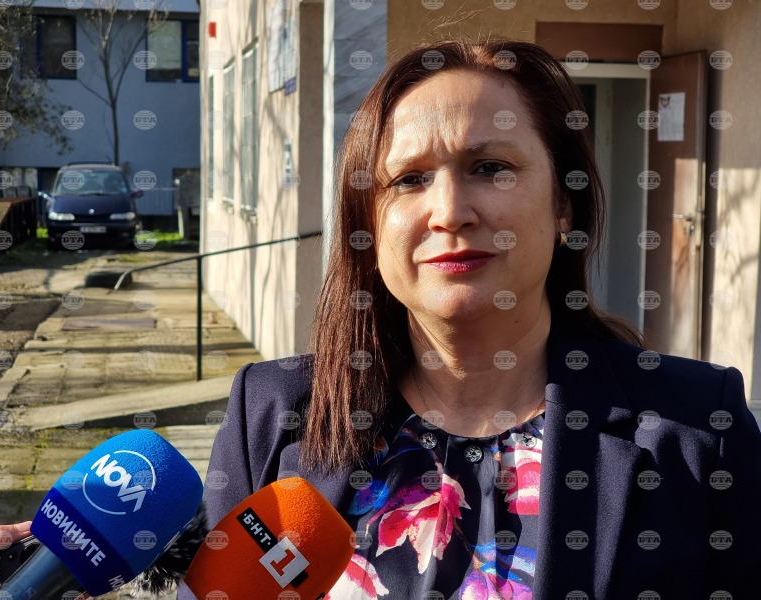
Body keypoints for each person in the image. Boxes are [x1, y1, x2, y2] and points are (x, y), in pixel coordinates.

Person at [176, 39, 761, 599]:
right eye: (410, 179)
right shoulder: (272, 415)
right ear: (368, 225)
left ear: (564, 203)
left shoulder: (697, 426)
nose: (450, 212)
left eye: (490, 167)